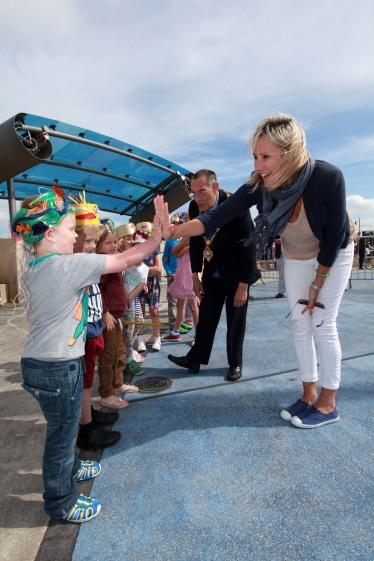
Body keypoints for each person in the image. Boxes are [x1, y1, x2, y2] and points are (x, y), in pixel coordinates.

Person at [155, 114, 356, 429]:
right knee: (299, 325)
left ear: (288, 154)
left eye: (265, 156)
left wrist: (318, 284)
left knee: (321, 322)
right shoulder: (258, 184)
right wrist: (172, 231)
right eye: (255, 156)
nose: (258, 164)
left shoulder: (328, 177)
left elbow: (332, 242)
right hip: (296, 252)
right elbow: (217, 215)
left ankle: (328, 403)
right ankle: (308, 396)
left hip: (334, 252)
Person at [11, 186, 162, 522]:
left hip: (42, 363)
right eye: (69, 230)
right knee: (62, 437)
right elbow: (123, 260)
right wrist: (155, 240)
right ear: (51, 234)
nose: (74, 235)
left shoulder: (36, 267)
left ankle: (73, 468)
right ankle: (61, 501)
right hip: (57, 366)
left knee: (61, 427)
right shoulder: (69, 265)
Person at [165, 169, 258, 381]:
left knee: (235, 322)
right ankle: (195, 359)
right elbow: (196, 240)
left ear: (215, 187)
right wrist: (195, 274)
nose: (197, 198)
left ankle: (235, 363)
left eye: (202, 192)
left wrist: (244, 285)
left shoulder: (237, 205)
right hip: (210, 274)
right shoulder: (193, 207)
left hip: (236, 275)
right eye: (194, 193)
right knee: (206, 317)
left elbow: (249, 247)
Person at [70, 193, 121, 451]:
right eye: (88, 240)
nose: (92, 245)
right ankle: (87, 432)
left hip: (94, 327)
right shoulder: (75, 263)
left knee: (86, 379)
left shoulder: (86, 260)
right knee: (85, 381)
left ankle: (88, 413)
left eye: (93, 240)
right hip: (85, 330)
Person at [97, 219, 139, 409]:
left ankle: (118, 382)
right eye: (108, 243)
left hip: (117, 317)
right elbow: (96, 290)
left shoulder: (115, 260)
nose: (114, 246)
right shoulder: (102, 264)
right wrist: (105, 312)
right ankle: (106, 394)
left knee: (120, 352)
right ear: (98, 245)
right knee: (108, 355)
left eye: (115, 242)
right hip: (108, 319)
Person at [163, 212, 199, 344]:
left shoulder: (195, 237)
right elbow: (175, 252)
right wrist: (187, 248)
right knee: (181, 304)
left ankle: (197, 334)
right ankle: (175, 332)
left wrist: (186, 248)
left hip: (191, 272)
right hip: (184, 271)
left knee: (193, 306)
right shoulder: (187, 238)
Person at [122, 227, 150, 375]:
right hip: (121, 303)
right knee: (126, 332)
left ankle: (128, 351)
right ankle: (128, 360)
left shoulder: (145, 268)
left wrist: (129, 297)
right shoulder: (125, 262)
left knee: (138, 323)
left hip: (133, 302)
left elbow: (141, 284)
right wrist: (124, 298)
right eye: (136, 246)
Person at [137, 222, 162, 352]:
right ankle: (140, 340)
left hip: (153, 285)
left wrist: (143, 270)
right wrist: (149, 270)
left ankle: (157, 338)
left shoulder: (155, 251)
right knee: (140, 314)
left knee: (154, 312)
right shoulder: (136, 251)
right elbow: (133, 269)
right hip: (138, 285)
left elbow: (159, 269)